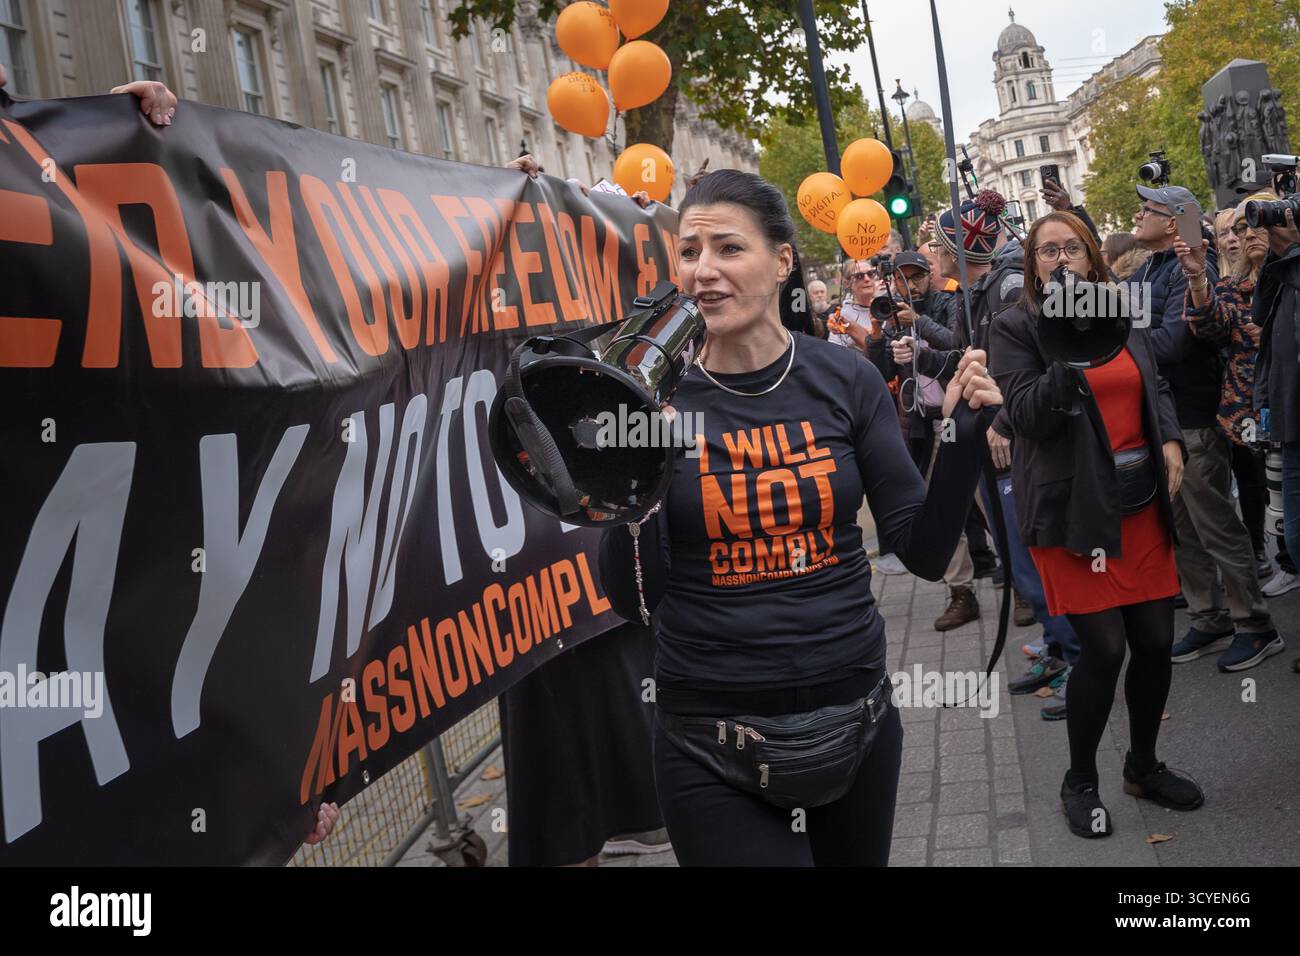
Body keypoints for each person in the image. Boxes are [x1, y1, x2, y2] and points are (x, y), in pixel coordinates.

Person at [599, 169, 1002, 866]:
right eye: (689, 252)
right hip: (708, 742)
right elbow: (634, 598)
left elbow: (925, 553)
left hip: (856, 723)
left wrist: (963, 432)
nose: (704, 271)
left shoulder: (845, 379)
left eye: (728, 249)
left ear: (782, 261)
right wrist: (639, 476)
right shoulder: (654, 402)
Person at [992, 210, 1203, 838]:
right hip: (1074, 510)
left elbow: (1154, 382)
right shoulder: (1014, 327)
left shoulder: (1119, 309)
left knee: (1157, 642)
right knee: (1105, 648)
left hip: (1139, 504)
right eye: (1047, 252)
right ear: (1032, 265)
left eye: (1072, 249)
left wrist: (1170, 441)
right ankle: (1080, 779)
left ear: (1092, 257)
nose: (1061, 260)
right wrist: (1067, 350)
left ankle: (1143, 765)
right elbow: (1026, 415)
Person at [1153, 184, 1282, 671]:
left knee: (1229, 524)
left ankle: (1256, 624)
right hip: (1216, 417)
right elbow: (1209, 321)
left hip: (1218, 415)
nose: (1240, 238)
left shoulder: (1277, 278)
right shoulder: (1217, 282)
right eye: (1233, 229)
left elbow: (1172, 344)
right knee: (1185, 528)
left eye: (1248, 227)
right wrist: (1197, 279)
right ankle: (1210, 617)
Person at [1248, 192, 1300, 671]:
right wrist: (1278, 257)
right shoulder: (1283, 269)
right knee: (1296, 539)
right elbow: (1259, 315)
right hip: (1288, 418)